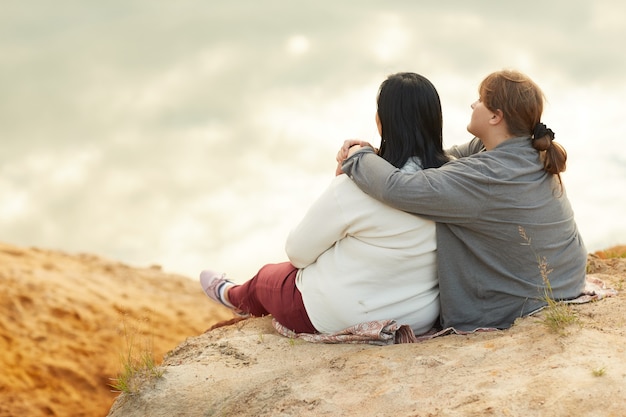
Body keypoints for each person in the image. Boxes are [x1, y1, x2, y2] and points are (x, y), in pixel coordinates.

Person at [338, 69, 588, 331]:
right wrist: (384, 156)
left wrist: (358, 156)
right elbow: (440, 158)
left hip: (525, 302)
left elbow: (396, 188)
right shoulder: (525, 149)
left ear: (495, 116)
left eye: (480, 99)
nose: (473, 104)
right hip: (566, 281)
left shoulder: (486, 176)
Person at [200, 72, 448, 336]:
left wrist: (345, 174)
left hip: (338, 315)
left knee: (268, 278)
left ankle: (230, 294)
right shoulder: (453, 180)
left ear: (381, 122)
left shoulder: (356, 186)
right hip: (418, 317)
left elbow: (298, 252)